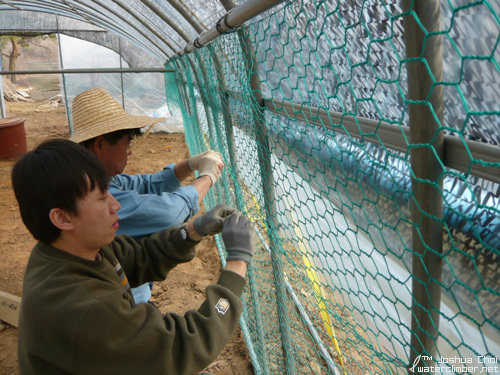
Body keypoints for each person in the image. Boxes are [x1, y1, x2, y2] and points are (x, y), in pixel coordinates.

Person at [13, 139, 255, 375]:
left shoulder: (72, 248)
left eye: (109, 190)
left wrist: (194, 229)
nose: (116, 204)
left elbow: (140, 256)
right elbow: (181, 347)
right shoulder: (87, 308)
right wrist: (238, 262)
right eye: (101, 198)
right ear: (63, 218)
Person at [69, 87, 224, 304]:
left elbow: (145, 184)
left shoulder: (96, 176)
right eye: (127, 144)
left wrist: (190, 165)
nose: (130, 152)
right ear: (101, 145)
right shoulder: (92, 195)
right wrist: (208, 176)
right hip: (120, 300)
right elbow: (168, 213)